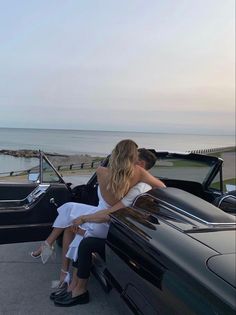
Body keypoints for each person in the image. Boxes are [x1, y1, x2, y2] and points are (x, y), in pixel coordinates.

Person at [31, 140, 165, 281]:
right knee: (69, 211)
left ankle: (54, 256)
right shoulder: (139, 174)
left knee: (69, 215)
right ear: (133, 157)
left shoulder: (101, 171)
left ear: (116, 154)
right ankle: (56, 259)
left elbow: (107, 203)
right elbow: (162, 187)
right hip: (108, 217)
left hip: (102, 217)